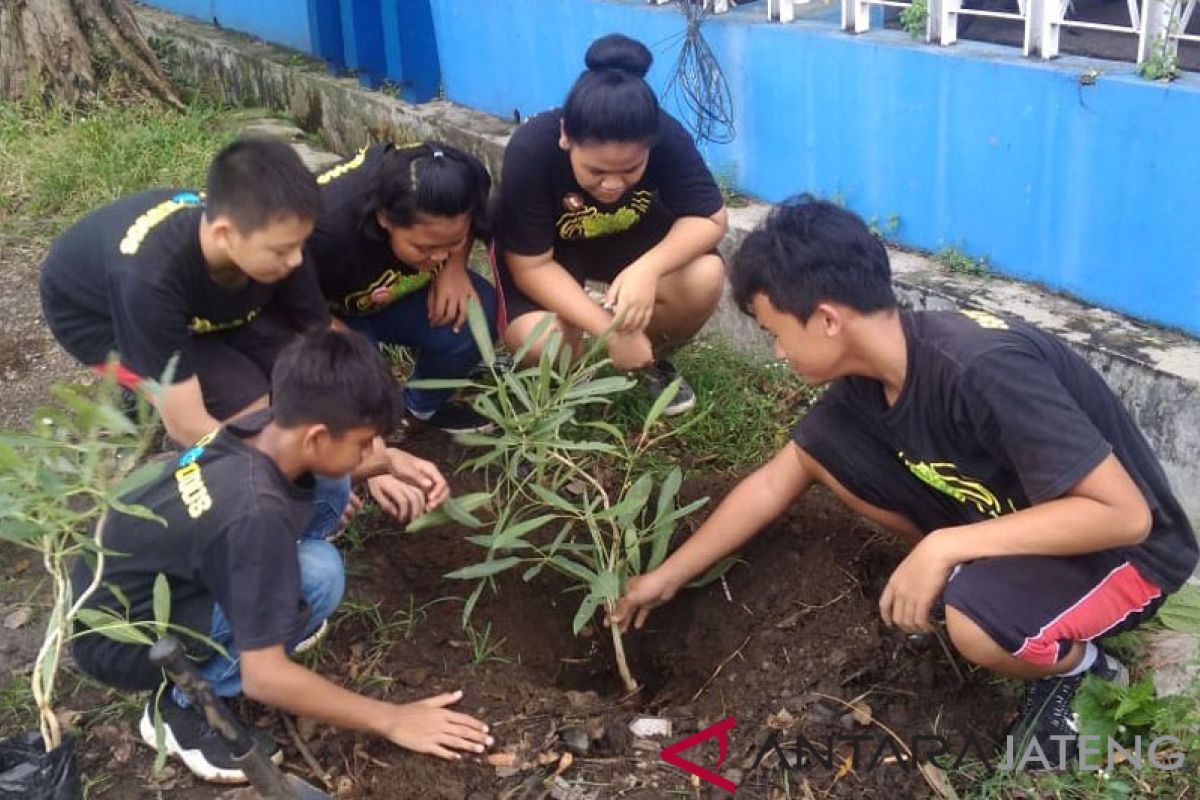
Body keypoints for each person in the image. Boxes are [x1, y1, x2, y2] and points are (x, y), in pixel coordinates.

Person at [610, 197, 1198, 761]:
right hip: (1028, 523)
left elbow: (1124, 515)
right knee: (822, 448)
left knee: (974, 623)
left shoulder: (981, 367)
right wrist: (666, 577)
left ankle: (1083, 668)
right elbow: (774, 482)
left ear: (827, 319)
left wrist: (946, 546)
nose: (778, 354)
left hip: (1125, 554)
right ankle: (994, 581)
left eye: (775, 332)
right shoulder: (872, 381)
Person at [71, 330, 492, 784]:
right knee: (318, 576)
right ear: (316, 435)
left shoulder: (261, 426)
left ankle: (250, 613)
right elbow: (264, 678)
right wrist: (392, 718)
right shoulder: (255, 516)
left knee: (329, 485)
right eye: (365, 442)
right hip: (125, 640)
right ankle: (180, 709)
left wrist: (389, 463)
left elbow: (319, 468)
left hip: (123, 580)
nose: (372, 452)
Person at [39, 136, 329, 449]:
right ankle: (154, 407)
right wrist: (280, 466)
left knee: (291, 373)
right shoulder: (150, 282)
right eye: (284, 250)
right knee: (252, 412)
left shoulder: (278, 241)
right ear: (224, 235)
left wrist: (364, 451)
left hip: (184, 302)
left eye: (301, 243)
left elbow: (324, 342)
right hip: (98, 318)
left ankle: (169, 371)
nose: (297, 259)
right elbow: (188, 425)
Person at [495, 33, 727, 416]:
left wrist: (647, 270)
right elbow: (530, 266)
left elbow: (711, 218)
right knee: (544, 343)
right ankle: (572, 372)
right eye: (596, 170)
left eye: (631, 169)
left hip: (626, 242)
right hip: (553, 255)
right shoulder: (530, 150)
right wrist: (610, 327)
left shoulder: (663, 134)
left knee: (704, 275)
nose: (613, 184)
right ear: (566, 135)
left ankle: (649, 358)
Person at [308, 141, 497, 434]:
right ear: (384, 218)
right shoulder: (323, 229)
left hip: (393, 297)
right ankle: (359, 440)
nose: (438, 256)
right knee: (354, 379)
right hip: (327, 311)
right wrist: (350, 347)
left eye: (452, 242)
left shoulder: (463, 178)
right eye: (425, 246)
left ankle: (416, 411)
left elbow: (469, 216)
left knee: (475, 312)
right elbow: (280, 300)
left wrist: (454, 267)